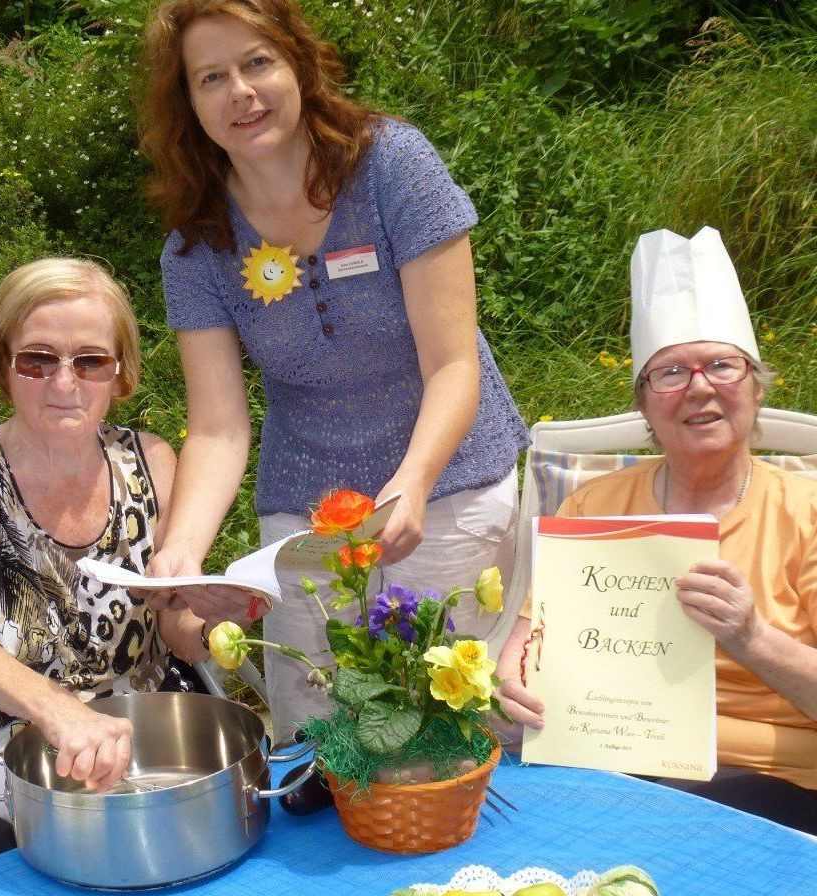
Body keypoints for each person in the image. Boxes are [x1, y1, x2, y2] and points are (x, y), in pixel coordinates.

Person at [138, 0, 529, 742]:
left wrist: (411, 484)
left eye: (257, 63)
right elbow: (218, 429)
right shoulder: (195, 247)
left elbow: (451, 364)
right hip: (306, 515)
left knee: (454, 728)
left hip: (446, 488)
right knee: (326, 738)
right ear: (189, 103)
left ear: (298, 65)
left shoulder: (392, 165)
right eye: (211, 77)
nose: (240, 93)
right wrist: (183, 549)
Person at [496, 226, 817, 834]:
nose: (699, 387)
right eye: (670, 373)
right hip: (608, 762)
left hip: (770, 785)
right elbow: (527, 641)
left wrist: (751, 637)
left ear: (755, 385)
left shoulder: (807, 514)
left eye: (722, 365)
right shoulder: (596, 505)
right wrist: (512, 680)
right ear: (644, 404)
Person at [0, 258, 252, 814]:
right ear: (4, 364)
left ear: (121, 373)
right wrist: (58, 710)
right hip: (2, 751)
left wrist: (218, 613)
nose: (64, 382)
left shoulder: (151, 461)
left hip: (143, 740)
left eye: (90, 362)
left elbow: (178, 632)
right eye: (37, 360)